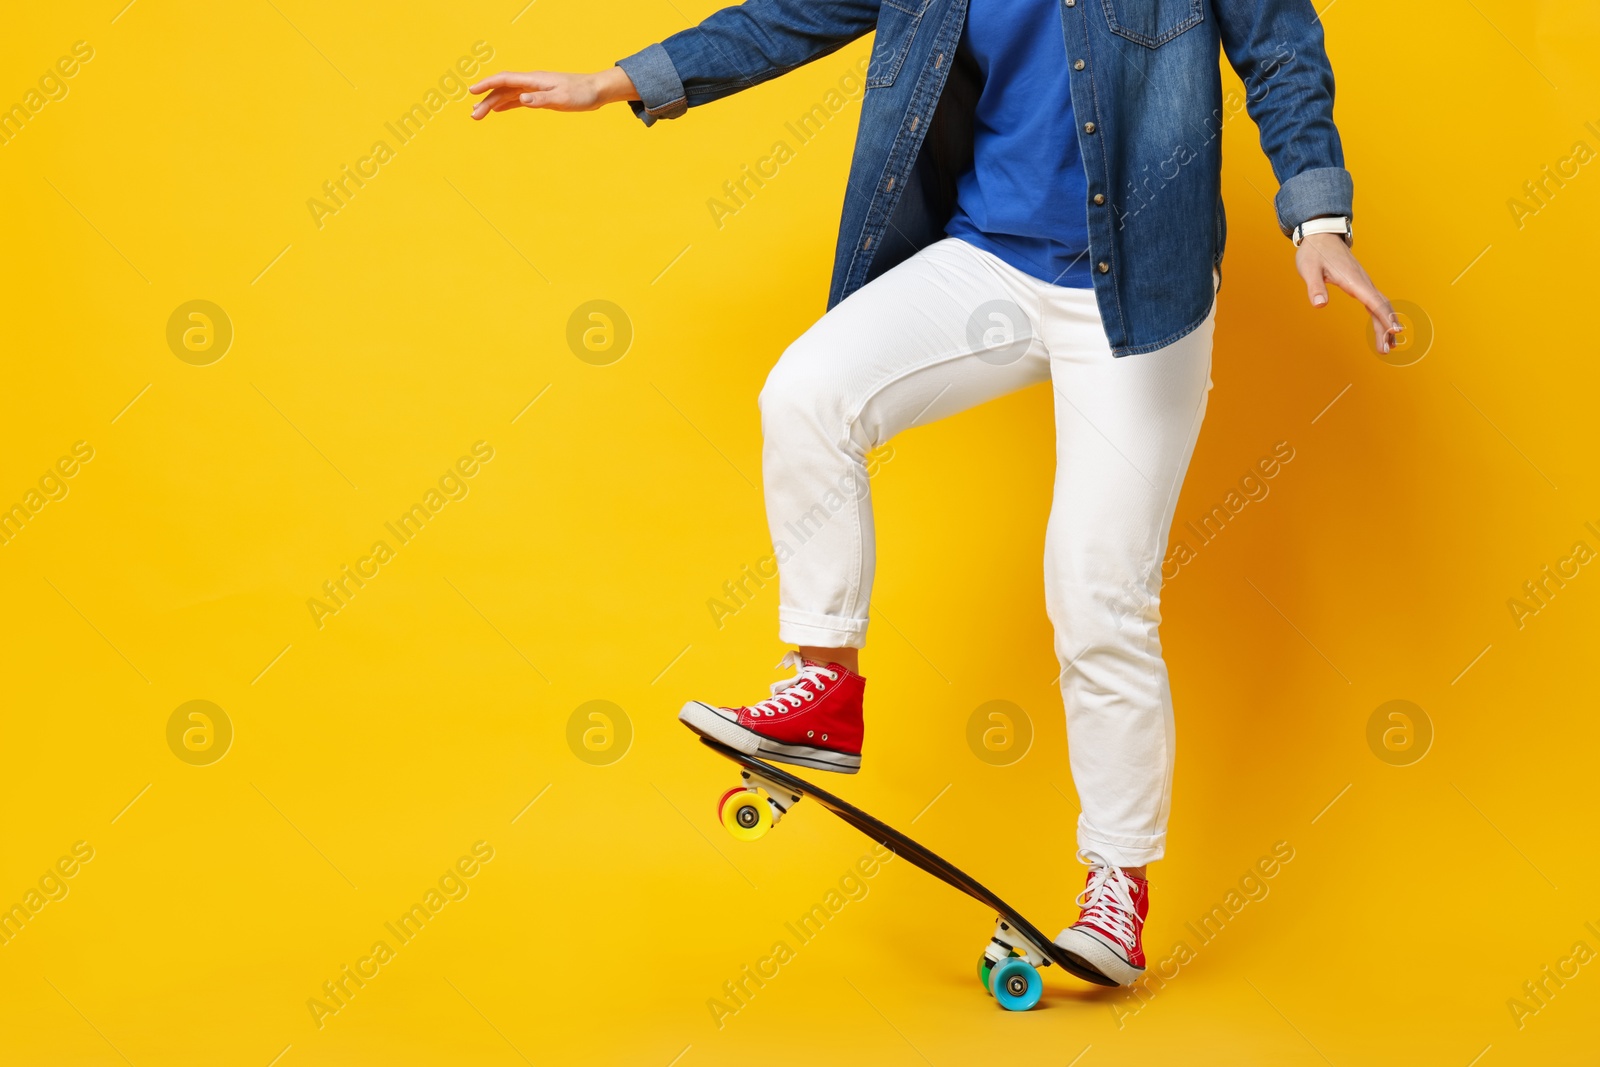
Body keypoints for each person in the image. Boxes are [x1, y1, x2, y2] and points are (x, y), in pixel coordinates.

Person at [470, 0, 1399, 988]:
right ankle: (824, 683)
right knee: (807, 391)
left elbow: (1281, 50)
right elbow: (796, 13)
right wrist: (618, 80)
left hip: (1140, 289)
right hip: (990, 262)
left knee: (1096, 594)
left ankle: (1114, 887)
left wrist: (1317, 218)